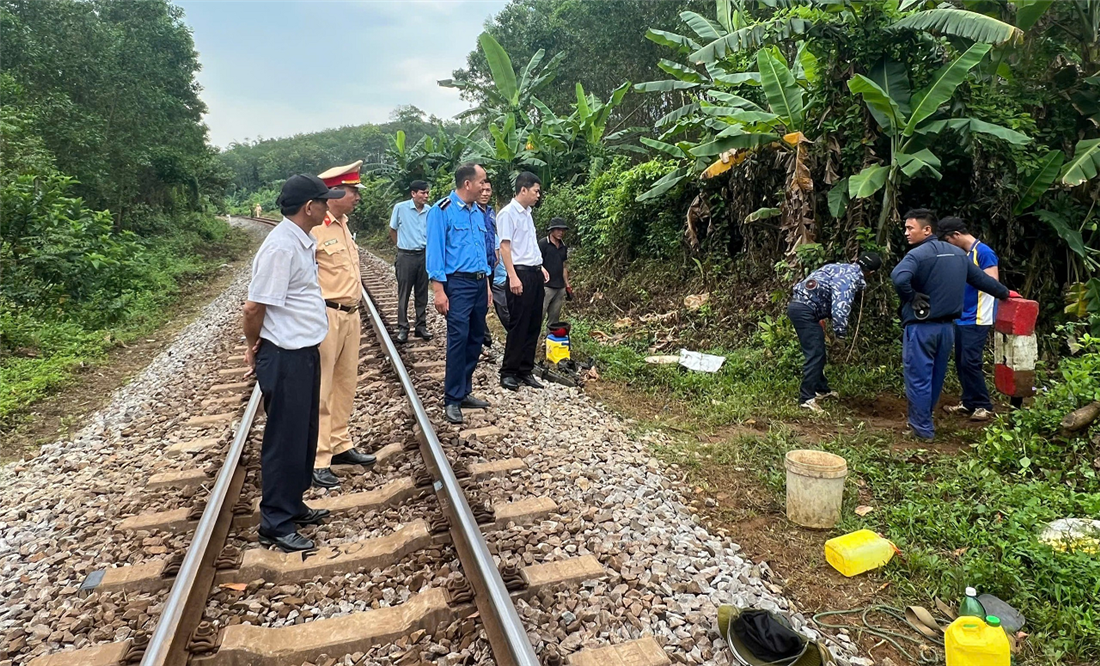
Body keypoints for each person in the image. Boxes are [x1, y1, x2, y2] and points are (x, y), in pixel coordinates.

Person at [241, 174, 345, 553]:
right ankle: (275, 522)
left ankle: (293, 503)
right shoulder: (281, 247)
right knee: (285, 439)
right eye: (324, 201)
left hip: (303, 352)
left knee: (303, 434)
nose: (328, 206)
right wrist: (252, 346)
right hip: (285, 355)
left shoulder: (301, 240)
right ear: (309, 207)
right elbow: (253, 307)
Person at [891, 209, 1017, 441]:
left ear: (927, 230)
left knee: (918, 378)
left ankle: (922, 429)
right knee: (936, 377)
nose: (906, 233)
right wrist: (1007, 294)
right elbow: (984, 281)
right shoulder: (959, 255)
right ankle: (924, 420)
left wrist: (911, 296)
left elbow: (899, 278)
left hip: (922, 327)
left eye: (910, 228)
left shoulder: (917, 255)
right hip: (947, 329)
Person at [308, 161, 377, 491]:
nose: (357, 197)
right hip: (327, 315)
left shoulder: (344, 225)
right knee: (322, 388)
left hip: (351, 314)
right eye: (353, 191)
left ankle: (339, 443)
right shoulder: (315, 229)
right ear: (334, 193)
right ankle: (318, 458)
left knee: (346, 383)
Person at [426, 163, 493, 424]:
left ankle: (464, 391)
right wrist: (439, 290)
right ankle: (452, 398)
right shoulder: (442, 210)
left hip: (479, 283)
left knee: (475, 338)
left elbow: (481, 251)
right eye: (481, 181)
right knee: (458, 339)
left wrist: (487, 285)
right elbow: (435, 251)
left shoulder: (478, 212)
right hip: (458, 285)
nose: (484, 186)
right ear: (468, 183)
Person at [787, 253, 882, 413]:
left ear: (856, 260)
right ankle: (806, 398)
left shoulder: (838, 267)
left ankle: (821, 390)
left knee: (818, 351)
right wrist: (840, 335)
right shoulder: (849, 279)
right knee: (815, 353)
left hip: (801, 306)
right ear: (871, 273)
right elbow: (840, 308)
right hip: (805, 311)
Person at [937, 217, 1000, 422]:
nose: (948, 244)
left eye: (948, 240)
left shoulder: (984, 253)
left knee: (971, 362)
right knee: (962, 362)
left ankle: (984, 405)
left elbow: (992, 282)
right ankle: (969, 401)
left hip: (978, 316)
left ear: (956, 235)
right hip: (963, 316)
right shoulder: (964, 254)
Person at [497, 172, 549, 391]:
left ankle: (525, 370)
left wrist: (540, 265)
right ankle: (508, 372)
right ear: (523, 189)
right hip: (519, 274)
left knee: (534, 323)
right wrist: (512, 276)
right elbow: (505, 247)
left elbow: (528, 244)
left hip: (534, 272)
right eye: (536, 191)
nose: (538, 195)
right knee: (519, 324)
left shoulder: (527, 213)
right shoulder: (508, 214)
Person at [389, 180, 432, 343]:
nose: (426, 196)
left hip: (423, 255)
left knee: (422, 293)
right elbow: (393, 229)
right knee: (404, 293)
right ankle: (403, 327)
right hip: (406, 255)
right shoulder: (400, 208)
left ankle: (421, 326)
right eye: (423, 193)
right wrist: (400, 246)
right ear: (413, 193)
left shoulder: (429, 211)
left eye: (427, 193)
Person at [478, 180, 506, 351]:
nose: (485, 193)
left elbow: (493, 235)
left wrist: (495, 254)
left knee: (485, 304)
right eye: (482, 190)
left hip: (491, 266)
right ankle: (482, 338)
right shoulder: (471, 211)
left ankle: (484, 337)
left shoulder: (490, 213)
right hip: (477, 267)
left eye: (488, 190)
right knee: (478, 304)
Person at [539, 218, 572, 327]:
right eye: (558, 230)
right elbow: (536, 262)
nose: (561, 232)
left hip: (559, 287)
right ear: (551, 230)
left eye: (563, 230)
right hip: (546, 286)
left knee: (554, 318)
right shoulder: (543, 244)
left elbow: (563, 266)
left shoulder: (563, 246)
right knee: (540, 314)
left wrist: (567, 285)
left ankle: (550, 336)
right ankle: (533, 336)